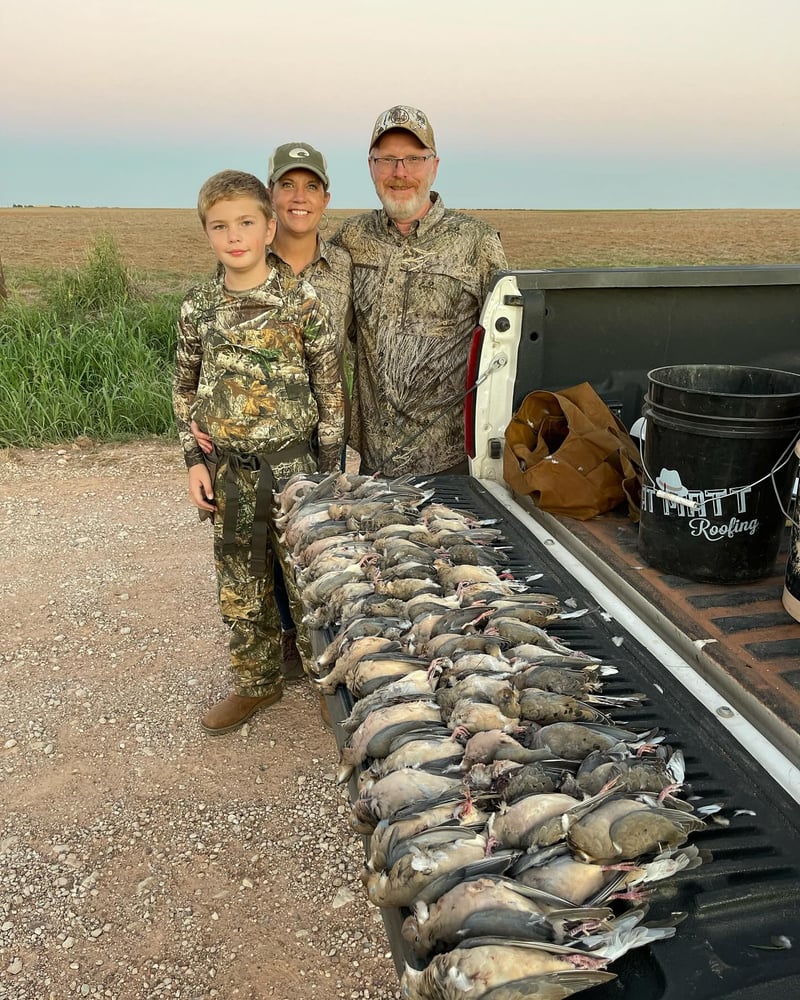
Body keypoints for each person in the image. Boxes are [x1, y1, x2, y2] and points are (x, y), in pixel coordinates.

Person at [173, 169, 345, 735]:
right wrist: (194, 461)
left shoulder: (299, 300)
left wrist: (329, 469)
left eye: (246, 222)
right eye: (219, 226)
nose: (234, 236)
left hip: (294, 468)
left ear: (270, 227)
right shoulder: (198, 307)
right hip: (229, 474)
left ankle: (332, 685)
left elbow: (329, 387)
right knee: (241, 587)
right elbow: (183, 390)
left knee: (309, 586)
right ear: (207, 234)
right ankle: (256, 683)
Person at [330, 105, 508, 478]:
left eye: (413, 158)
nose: (400, 172)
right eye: (388, 160)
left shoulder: (477, 241)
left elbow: (507, 349)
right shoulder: (351, 238)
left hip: (453, 465)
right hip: (374, 467)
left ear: (434, 165)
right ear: (371, 167)